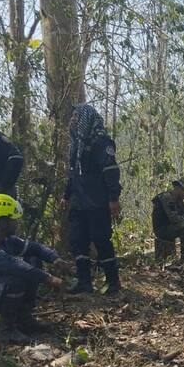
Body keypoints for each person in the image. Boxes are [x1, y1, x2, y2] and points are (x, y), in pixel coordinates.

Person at [0, 194, 70, 345]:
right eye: (14, 220)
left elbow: (34, 248)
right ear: (3, 222)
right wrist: (48, 278)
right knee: (16, 278)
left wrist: (54, 258)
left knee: (33, 260)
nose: (17, 223)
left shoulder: (4, 238)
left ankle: (24, 319)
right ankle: (7, 331)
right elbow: (12, 265)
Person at [62, 103, 122, 295]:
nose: (73, 120)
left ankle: (112, 282)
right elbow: (73, 172)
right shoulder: (76, 144)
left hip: (97, 202)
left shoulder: (101, 142)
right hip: (78, 202)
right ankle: (83, 282)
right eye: (72, 116)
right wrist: (66, 195)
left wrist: (113, 198)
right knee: (78, 241)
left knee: (101, 239)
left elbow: (111, 171)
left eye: (76, 116)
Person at [152, 178, 184, 264]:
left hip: (172, 228)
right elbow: (174, 218)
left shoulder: (180, 202)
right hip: (162, 230)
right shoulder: (166, 198)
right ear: (179, 188)